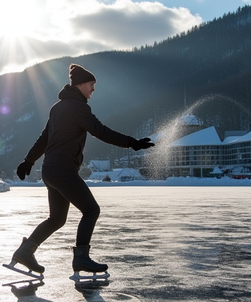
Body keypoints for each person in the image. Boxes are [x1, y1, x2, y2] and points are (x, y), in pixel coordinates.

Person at [10, 63, 154, 278]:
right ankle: (81, 258)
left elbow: (44, 138)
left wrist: (29, 161)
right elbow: (100, 131)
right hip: (63, 170)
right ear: (80, 85)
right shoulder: (78, 107)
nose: (93, 89)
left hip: (51, 170)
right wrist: (131, 143)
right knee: (91, 210)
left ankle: (25, 251)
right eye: (91, 84)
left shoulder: (57, 107)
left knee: (57, 219)